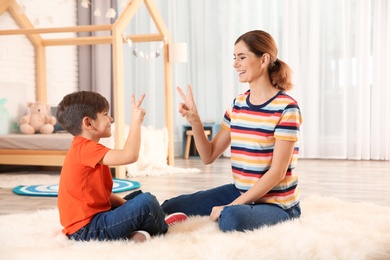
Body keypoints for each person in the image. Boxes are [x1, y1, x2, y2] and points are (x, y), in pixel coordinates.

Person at [161, 30, 302, 232]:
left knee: (231, 218)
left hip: (277, 204)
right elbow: (208, 156)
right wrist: (195, 121)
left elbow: (277, 173)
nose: (235, 64)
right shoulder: (238, 104)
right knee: (170, 206)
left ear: (263, 60)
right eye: (235, 58)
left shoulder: (287, 108)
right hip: (240, 191)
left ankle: (238, 211)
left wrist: (233, 205)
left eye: (242, 57)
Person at [56, 91, 187, 242]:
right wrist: (136, 122)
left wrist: (128, 206)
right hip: (86, 230)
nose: (111, 119)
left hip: (93, 221)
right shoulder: (85, 149)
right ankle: (162, 227)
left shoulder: (83, 148)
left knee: (137, 198)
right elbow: (129, 155)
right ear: (88, 123)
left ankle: (133, 234)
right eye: (105, 114)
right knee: (146, 202)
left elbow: (101, 195)